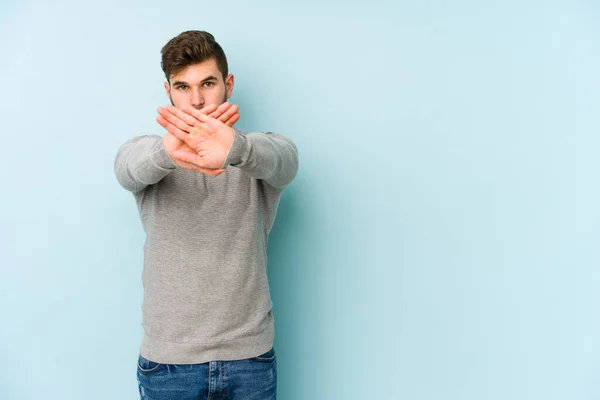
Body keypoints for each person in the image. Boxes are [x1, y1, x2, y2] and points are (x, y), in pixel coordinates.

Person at [113, 30, 299, 400]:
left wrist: (236, 148)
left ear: (228, 85)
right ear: (167, 92)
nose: (196, 101)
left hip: (250, 360)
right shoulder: (148, 153)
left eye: (208, 84)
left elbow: (285, 161)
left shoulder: (257, 152)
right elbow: (126, 170)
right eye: (182, 87)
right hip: (169, 365)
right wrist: (170, 153)